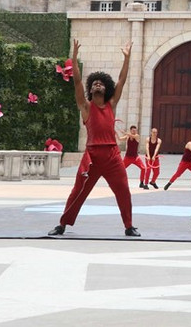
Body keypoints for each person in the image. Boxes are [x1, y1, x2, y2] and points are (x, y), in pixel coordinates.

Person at [48, 40, 139, 237]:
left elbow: (122, 80)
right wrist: (73, 56)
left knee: (123, 190)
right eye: (95, 83)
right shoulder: (86, 106)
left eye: (101, 83)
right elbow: (77, 82)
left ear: (106, 88)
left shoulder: (111, 105)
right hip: (93, 156)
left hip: (113, 155)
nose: (98, 84)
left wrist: (127, 58)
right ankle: (62, 224)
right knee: (78, 191)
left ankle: (129, 226)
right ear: (90, 89)